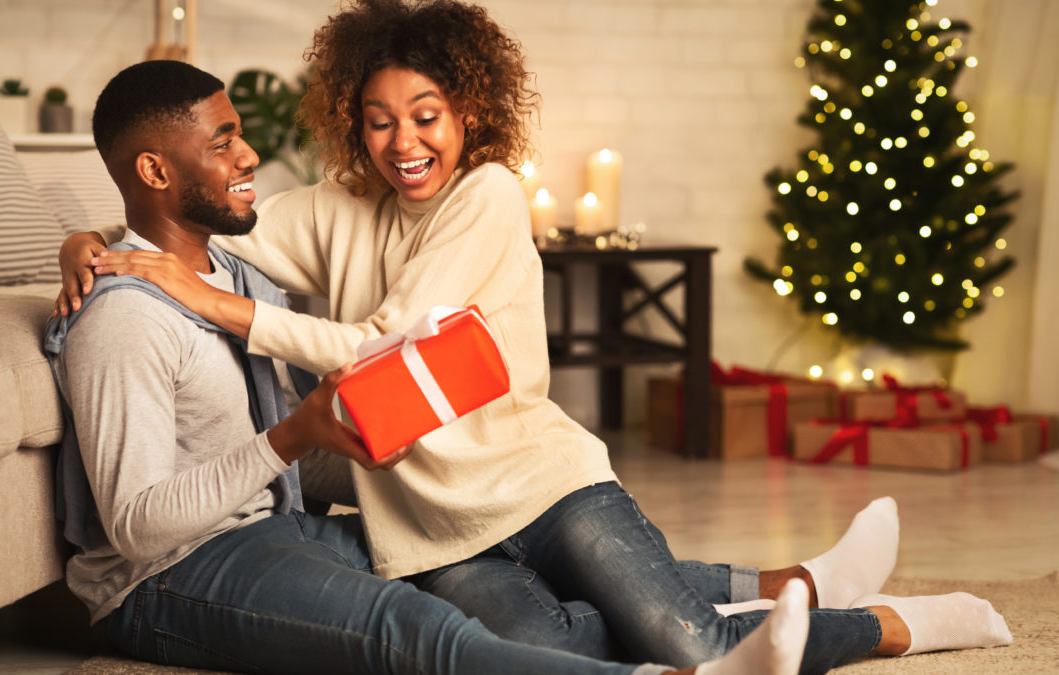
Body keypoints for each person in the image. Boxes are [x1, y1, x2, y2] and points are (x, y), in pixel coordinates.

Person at [56, 1, 1013, 671]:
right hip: (422, 514)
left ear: (467, 112)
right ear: (355, 125)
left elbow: (387, 340)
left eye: (426, 116)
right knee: (554, 648)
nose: (404, 142)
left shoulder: (487, 195)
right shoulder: (333, 211)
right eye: (380, 121)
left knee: (691, 645)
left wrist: (220, 306)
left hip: (534, 481)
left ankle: (892, 624)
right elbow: (193, 225)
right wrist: (91, 240)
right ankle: (797, 584)